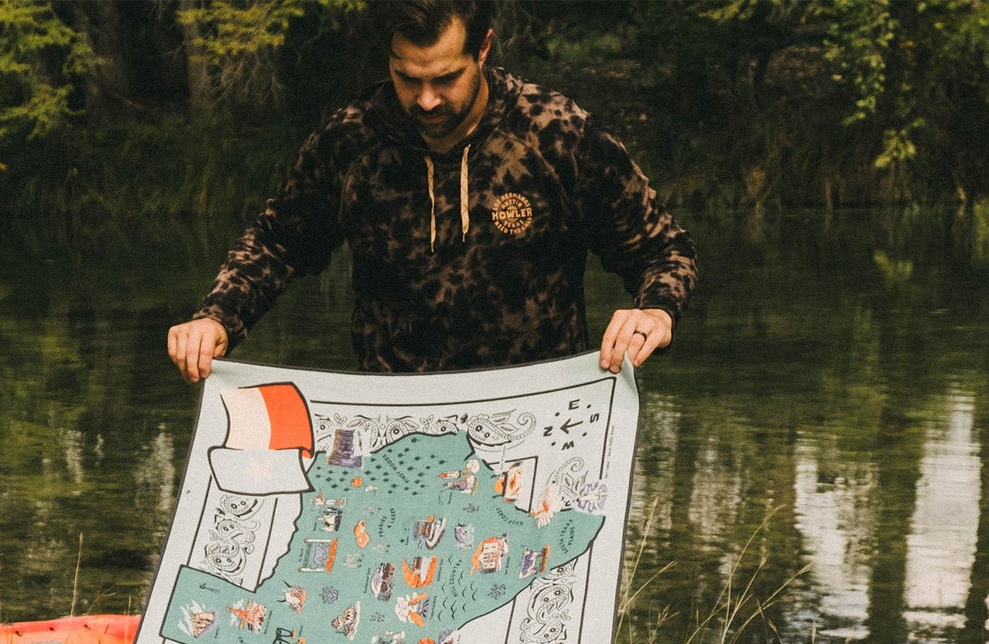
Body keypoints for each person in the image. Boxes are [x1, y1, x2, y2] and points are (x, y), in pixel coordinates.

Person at [167, 0, 696, 383]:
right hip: (395, 420)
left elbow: (664, 249)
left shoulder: (555, 133)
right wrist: (216, 317)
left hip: (536, 412)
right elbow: (278, 243)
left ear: (483, 48)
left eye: (445, 78)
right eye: (407, 78)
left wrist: (655, 311)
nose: (425, 101)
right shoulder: (351, 141)